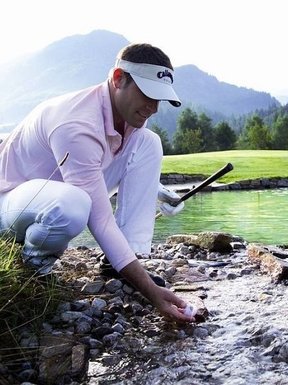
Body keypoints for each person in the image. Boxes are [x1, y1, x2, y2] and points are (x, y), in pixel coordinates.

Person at [0, 43, 193, 323]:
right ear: (118, 79)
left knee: (149, 142)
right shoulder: (76, 123)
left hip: (47, 194)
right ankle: (34, 267)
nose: (153, 107)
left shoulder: (130, 116)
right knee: (73, 205)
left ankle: (122, 262)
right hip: (7, 202)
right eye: (147, 94)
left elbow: (113, 167)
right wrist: (151, 292)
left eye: (159, 98)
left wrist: (159, 192)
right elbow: (99, 219)